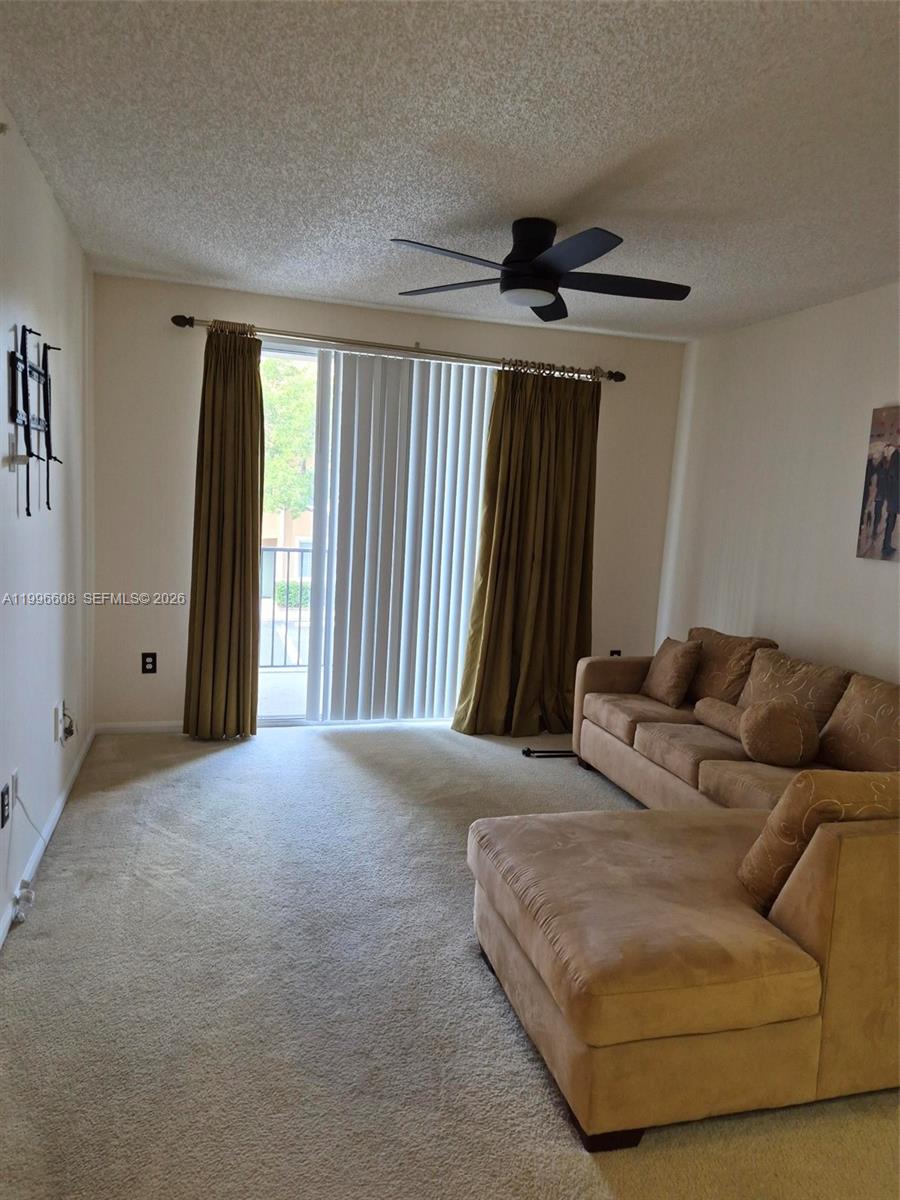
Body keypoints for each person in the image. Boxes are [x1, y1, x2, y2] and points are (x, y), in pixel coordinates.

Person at [881, 444, 899, 558]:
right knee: (890, 522)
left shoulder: (896, 456)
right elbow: (892, 476)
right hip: (894, 496)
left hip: (896, 495)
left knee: (892, 522)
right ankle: (885, 546)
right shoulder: (896, 457)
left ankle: (887, 545)